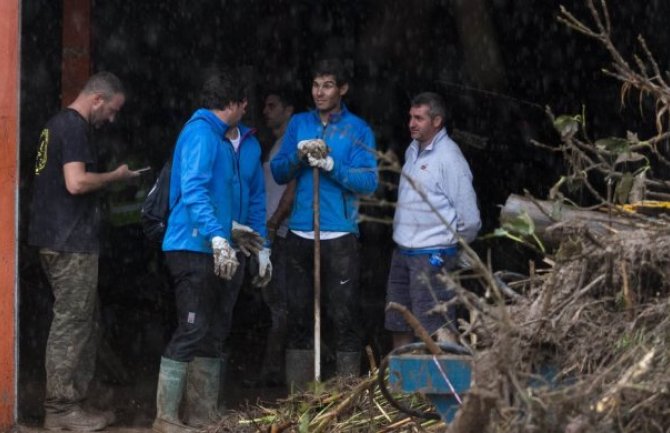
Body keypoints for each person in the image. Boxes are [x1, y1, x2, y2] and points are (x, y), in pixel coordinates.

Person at [28, 71, 141, 431]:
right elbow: (75, 183)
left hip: (54, 238)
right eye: (112, 109)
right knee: (72, 325)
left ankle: (75, 401)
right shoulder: (75, 127)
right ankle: (61, 409)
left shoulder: (55, 125)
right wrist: (116, 178)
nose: (112, 118)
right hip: (69, 242)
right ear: (97, 99)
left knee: (83, 322)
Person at [271, 59, 378, 383]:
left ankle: (345, 393)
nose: (320, 92)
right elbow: (278, 172)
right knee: (299, 314)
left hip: (340, 233)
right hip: (301, 230)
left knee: (344, 314)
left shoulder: (358, 129)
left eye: (328, 85)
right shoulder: (299, 124)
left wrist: (332, 165)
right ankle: (299, 397)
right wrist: (298, 156)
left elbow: (369, 183)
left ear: (342, 89)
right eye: (316, 85)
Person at [153, 67, 245, 433]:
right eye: (244, 105)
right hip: (191, 245)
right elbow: (193, 190)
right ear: (235, 104)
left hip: (204, 244)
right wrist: (217, 236)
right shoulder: (202, 134)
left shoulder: (214, 135)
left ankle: (202, 415)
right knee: (191, 328)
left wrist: (231, 231)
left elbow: (214, 195)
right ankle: (165, 418)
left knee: (207, 330)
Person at [384, 92, 481, 349]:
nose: (411, 123)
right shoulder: (412, 151)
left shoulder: (450, 158)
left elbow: (470, 219)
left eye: (419, 118)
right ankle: (403, 387)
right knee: (398, 320)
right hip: (403, 253)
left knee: (435, 326)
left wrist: (450, 248)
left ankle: (438, 385)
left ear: (437, 121)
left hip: (431, 256)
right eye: (410, 117)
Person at [247, 88, 297, 387]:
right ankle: (273, 371)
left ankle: (274, 373)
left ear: (289, 110)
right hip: (267, 233)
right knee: (273, 304)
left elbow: (294, 186)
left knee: (280, 306)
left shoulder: (290, 145)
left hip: (279, 233)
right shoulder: (277, 144)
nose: (266, 111)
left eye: (272, 104)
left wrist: (275, 220)